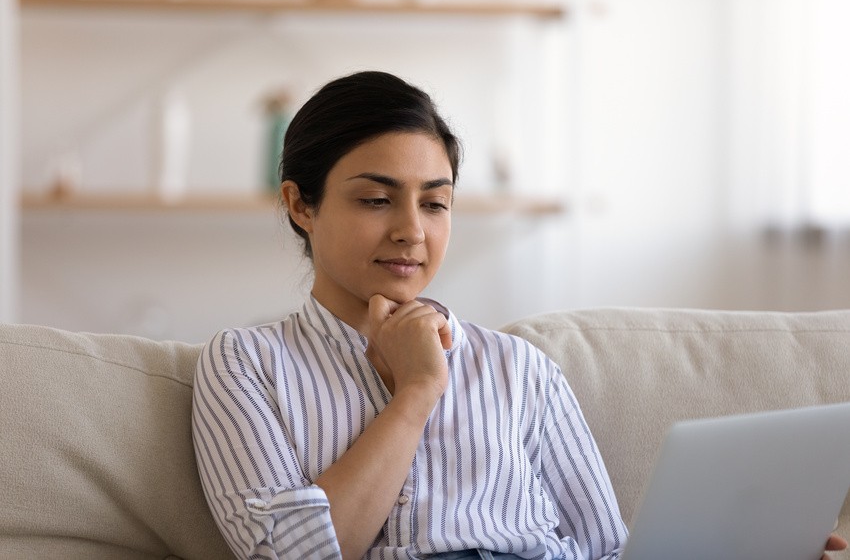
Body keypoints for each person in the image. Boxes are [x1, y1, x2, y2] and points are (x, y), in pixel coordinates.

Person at [191, 71, 847, 560]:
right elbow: (289, 555)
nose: (411, 232)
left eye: (435, 204)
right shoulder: (246, 362)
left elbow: (605, 550)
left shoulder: (520, 369)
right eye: (375, 200)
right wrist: (416, 393)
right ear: (300, 205)